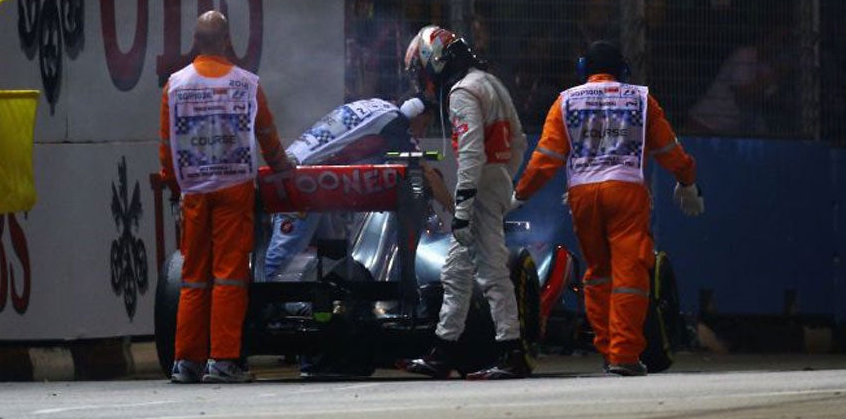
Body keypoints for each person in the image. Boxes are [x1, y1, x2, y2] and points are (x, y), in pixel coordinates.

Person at [512, 40, 705, 376]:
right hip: (626, 191)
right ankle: (624, 354)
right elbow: (671, 150)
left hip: (582, 196)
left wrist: (521, 194)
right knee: (630, 273)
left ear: (584, 69)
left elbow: (546, 158)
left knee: (598, 272)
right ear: (624, 71)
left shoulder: (566, 101)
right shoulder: (641, 100)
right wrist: (687, 182)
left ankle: (607, 349)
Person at [159, 10, 294, 384]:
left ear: (195, 41)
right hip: (234, 189)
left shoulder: (175, 84)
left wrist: (175, 183)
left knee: (193, 277)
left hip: (194, 192)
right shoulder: (246, 84)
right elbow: (266, 134)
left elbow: (167, 145)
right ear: (226, 40)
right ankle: (222, 360)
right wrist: (284, 167)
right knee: (230, 277)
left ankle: (185, 362)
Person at [400, 25, 531, 380]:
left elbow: (471, 152)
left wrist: (463, 206)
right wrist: (504, 182)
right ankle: (443, 350)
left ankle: (511, 351)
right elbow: (518, 141)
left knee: (491, 273)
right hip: (495, 182)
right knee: (455, 273)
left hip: (478, 190)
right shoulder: (491, 83)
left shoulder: (461, 93)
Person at [264, 95, 451, 282]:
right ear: (415, 112)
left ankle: (311, 305)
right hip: (300, 178)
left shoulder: (377, 108)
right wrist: (457, 213)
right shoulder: (394, 123)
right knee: (282, 257)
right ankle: (273, 305)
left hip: (307, 177)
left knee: (330, 254)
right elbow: (427, 173)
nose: (423, 133)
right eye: (425, 125)